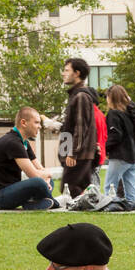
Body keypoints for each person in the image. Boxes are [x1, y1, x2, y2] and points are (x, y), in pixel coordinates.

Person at [0, 107, 58, 211]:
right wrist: (48, 174)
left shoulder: (23, 142)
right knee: (38, 182)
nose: (40, 126)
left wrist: (47, 178)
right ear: (23, 123)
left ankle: (33, 203)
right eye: (36, 123)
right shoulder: (13, 142)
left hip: (8, 191)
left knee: (47, 182)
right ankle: (55, 202)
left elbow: (40, 169)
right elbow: (33, 175)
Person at [41, 57, 99, 200]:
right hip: (75, 153)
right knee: (79, 191)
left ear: (77, 73)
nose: (63, 73)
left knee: (70, 190)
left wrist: (72, 153)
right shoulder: (76, 95)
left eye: (67, 70)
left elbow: (81, 128)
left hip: (77, 155)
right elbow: (72, 126)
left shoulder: (80, 97)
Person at [102, 84, 135, 203]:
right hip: (133, 156)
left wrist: (105, 148)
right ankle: (134, 206)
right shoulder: (131, 114)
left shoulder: (113, 114)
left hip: (120, 155)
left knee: (109, 186)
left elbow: (116, 136)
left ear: (111, 98)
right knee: (130, 188)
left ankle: (110, 205)